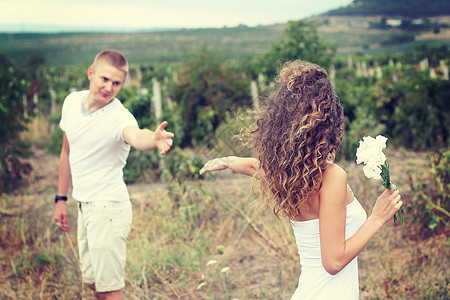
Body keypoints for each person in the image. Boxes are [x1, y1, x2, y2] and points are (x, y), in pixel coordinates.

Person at [199, 60, 402, 299]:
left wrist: (228, 161)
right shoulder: (332, 177)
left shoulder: (291, 176)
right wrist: (377, 217)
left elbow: (256, 166)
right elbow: (334, 261)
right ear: (329, 124)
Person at [54, 49, 174, 299]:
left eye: (116, 83)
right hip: (85, 205)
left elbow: (135, 135)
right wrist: (61, 198)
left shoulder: (119, 116)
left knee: (110, 291)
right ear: (91, 73)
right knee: (95, 285)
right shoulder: (70, 102)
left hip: (108, 209)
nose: (109, 87)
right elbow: (66, 152)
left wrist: (153, 138)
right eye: (104, 79)